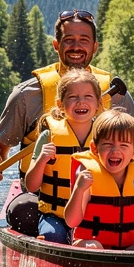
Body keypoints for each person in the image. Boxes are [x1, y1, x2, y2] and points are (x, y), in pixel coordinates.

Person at [0, 9, 134, 234]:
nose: (76, 46)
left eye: (84, 40)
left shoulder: (115, 94)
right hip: (45, 198)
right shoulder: (27, 95)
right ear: (56, 45)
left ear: (95, 47)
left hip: (102, 194)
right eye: (69, 40)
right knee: (22, 211)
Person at [64, 110, 134, 251]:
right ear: (94, 148)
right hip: (92, 248)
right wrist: (79, 190)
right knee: (95, 247)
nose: (115, 151)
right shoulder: (87, 176)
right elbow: (72, 221)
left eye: (124, 145)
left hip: (127, 250)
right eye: (108, 144)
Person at [24, 69, 103, 244]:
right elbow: (31, 185)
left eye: (88, 96)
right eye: (73, 97)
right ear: (60, 104)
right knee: (54, 237)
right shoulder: (48, 137)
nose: (81, 102)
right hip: (55, 215)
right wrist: (42, 161)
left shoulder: (105, 137)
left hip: (94, 214)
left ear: (98, 104)